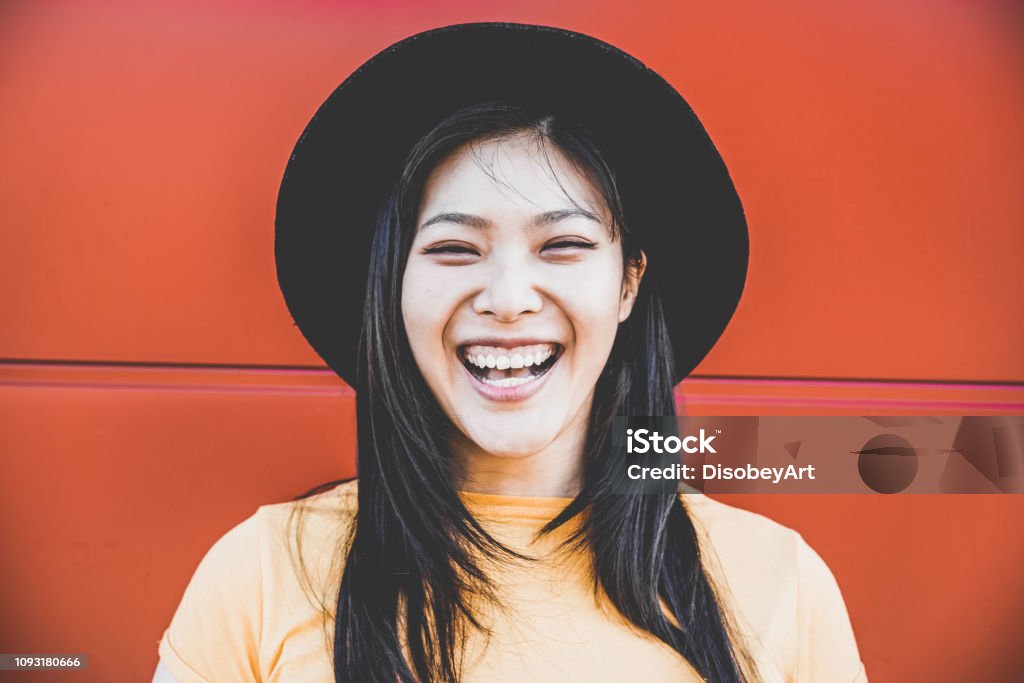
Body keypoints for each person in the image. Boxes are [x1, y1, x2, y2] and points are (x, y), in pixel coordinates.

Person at [154, 23, 867, 683]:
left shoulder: (779, 582)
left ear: (628, 284)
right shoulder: (262, 574)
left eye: (563, 245)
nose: (508, 297)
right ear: (394, 289)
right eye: (455, 249)